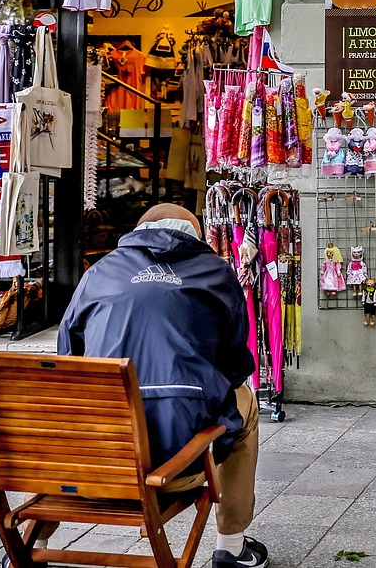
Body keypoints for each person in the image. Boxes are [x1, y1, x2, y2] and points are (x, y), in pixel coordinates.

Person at [57, 203, 270, 568]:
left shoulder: (99, 272)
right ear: (196, 236)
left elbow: (67, 358)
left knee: (70, 404)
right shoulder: (216, 272)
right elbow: (236, 365)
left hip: (101, 454)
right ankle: (231, 545)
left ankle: (35, 540)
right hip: (178, 462)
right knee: (245, 401)